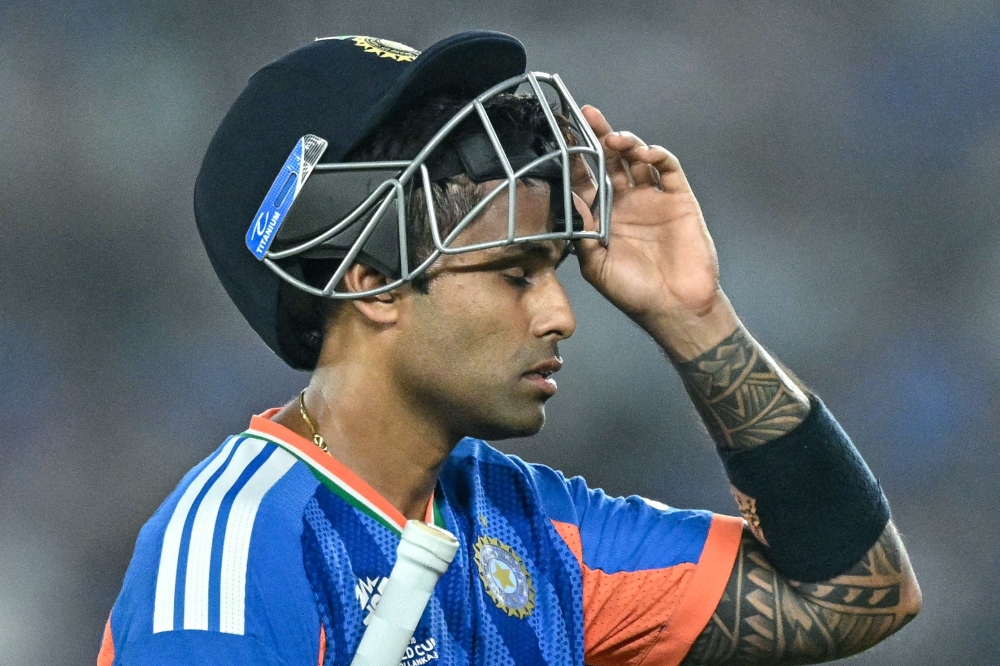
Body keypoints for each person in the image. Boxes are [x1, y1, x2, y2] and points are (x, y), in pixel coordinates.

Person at [98, 31, 920, 666]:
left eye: (554, 269)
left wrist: (692, 314)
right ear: (370, 283)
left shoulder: (531, 524)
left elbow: (854, 595)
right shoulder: (235, 554)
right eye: (514, 275)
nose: (562, 313)